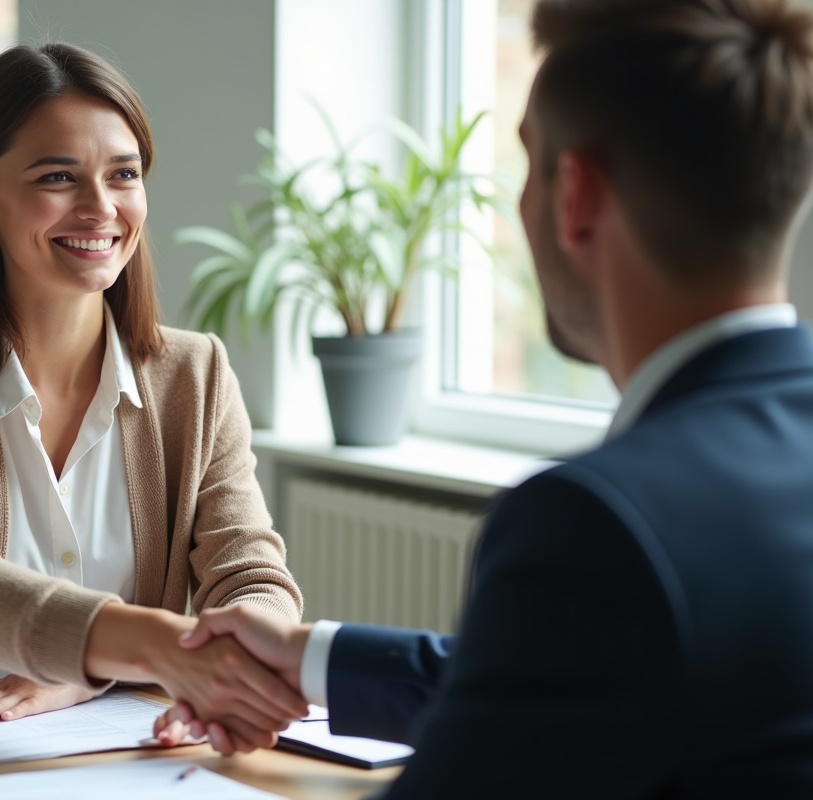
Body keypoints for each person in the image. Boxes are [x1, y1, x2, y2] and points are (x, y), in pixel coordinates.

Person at [156, 0, 813, 794]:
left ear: (575, 197)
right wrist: (313, 655)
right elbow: (591, 681)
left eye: (528, 164)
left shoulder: (601, 522)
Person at [0, 43, 306, 750]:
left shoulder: (195, 377)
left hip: (114, 753)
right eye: (57, 177)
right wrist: (151, 649)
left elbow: (253, 576)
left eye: (124, 175)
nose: (101, 208)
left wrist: (94, 672)